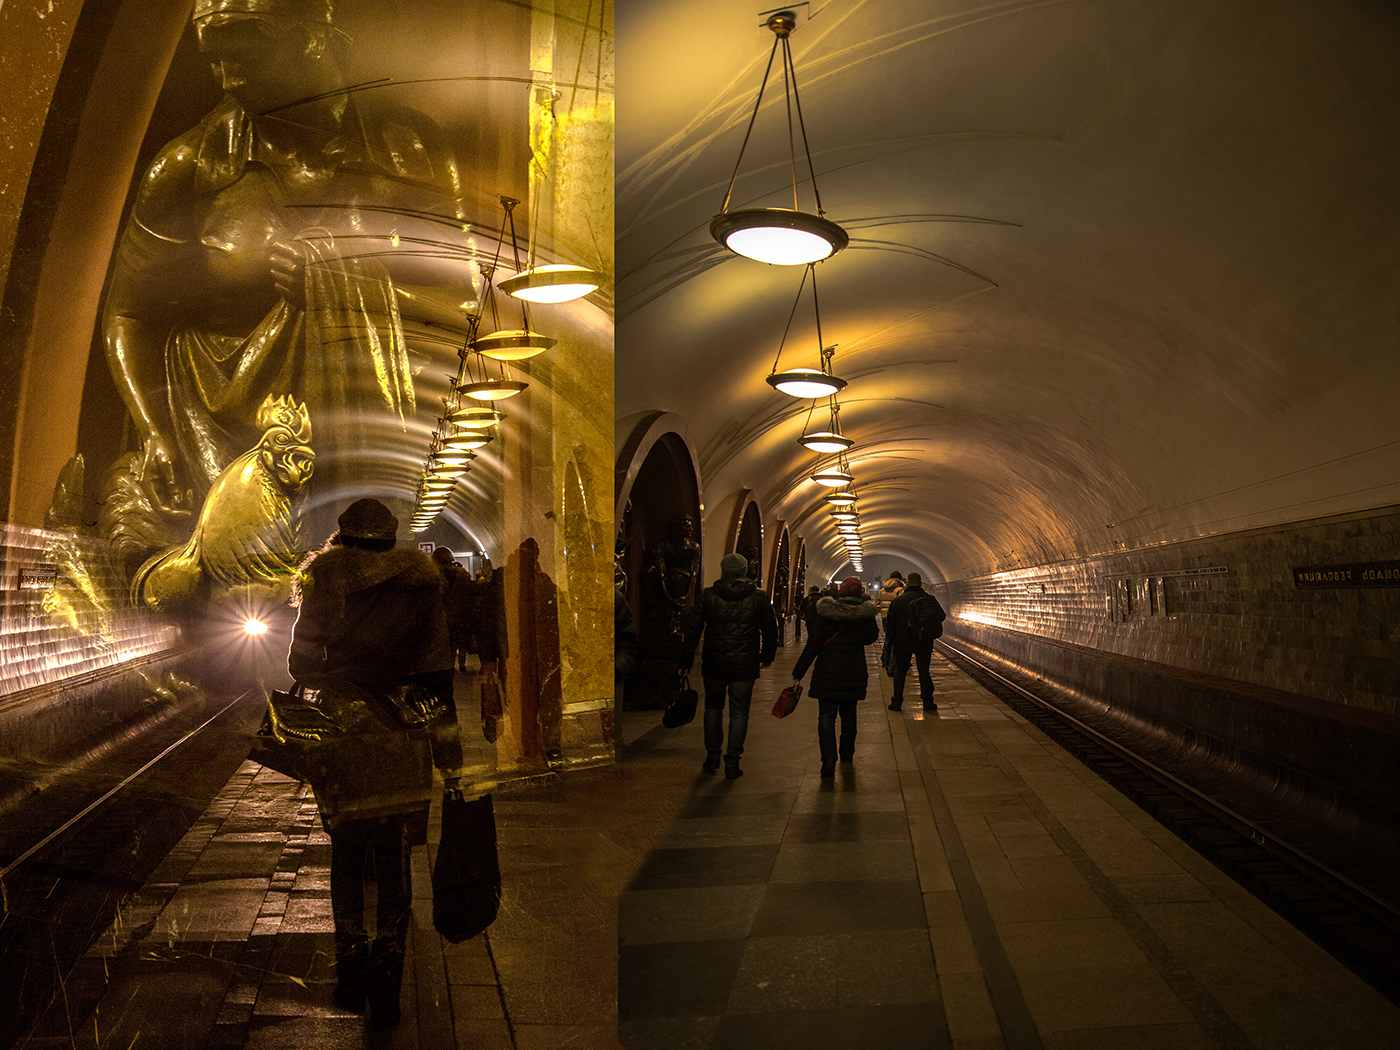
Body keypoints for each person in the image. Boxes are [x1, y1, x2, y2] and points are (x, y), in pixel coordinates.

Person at [287, 498, 457, 1028]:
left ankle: (351, 963)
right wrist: (448, 745)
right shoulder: (424, 585)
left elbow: (300, 663)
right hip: (402, 732)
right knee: (393, 855)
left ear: (343, 537)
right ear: (391, 540)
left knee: (346, 851)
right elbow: (437, 669)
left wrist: (341, 675)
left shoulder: (322, 580)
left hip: (343, 730)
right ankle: (388, 973)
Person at [680, 552, 778, 779]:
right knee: (740, 713)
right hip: (744, 663)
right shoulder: (759, 597)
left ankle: (712, 756)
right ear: (745, 572)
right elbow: (770, 629)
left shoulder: (708, 596)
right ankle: (732, 762)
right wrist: (767, 656)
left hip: (714, 662)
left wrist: (685, 661)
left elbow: (692, 631)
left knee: (713, 708)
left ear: (723, 571)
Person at [790, 576, 880, 777]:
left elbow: (813, 645)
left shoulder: (825, 613)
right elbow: (871, 638)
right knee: (849, 715)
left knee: (826, 715)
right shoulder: (864, 615)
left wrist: (799, 671)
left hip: (827, 671)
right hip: (853, 671)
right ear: (859, 593)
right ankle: (847, 754)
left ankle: (828, 757)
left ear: (840, 592)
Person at [886, 572, 947, 712]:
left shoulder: (898, 601)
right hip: (923, 640)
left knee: (900, 672)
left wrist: (894, 639)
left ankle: (897, 701)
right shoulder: (929, 599)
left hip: (903, 640)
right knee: (923, 671)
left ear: (906, 583)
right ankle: (927, 702)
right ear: (921, 583)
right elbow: (941, 616)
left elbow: (891, 623)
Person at [432, 546, 471, 671]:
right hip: (459, 619)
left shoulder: (431, 578)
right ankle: (460, 664)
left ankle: (445, 667)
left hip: (439, 621)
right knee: (458, 644)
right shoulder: (463, 577)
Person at [876, 571, 905, 673]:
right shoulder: (900, 590)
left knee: (887, 639)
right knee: (896, 641)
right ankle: (892, 665)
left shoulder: (882, 590)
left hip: (885, 618)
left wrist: (883, 612)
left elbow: (878, 603)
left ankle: (885, 660)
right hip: (896, 619)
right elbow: (902, 604)